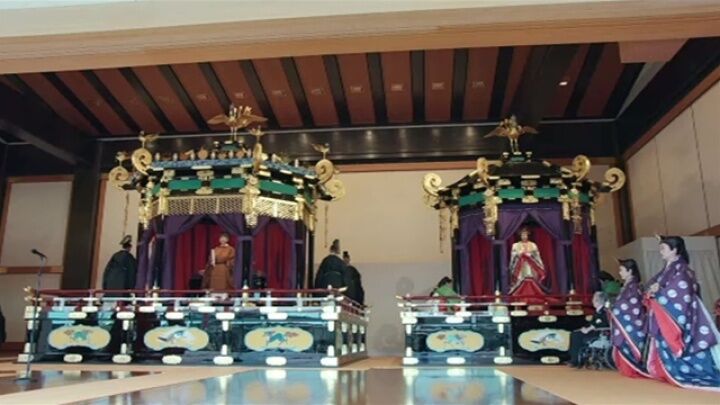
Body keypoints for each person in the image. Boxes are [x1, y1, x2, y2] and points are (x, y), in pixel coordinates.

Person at [643, 236, 720, 390]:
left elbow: (682, 289)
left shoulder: (682, 268)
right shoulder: (668, 269)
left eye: (663, 248)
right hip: (665, 311)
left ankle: (688, 370)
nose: (660, 252)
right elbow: (653, 285)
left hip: (680, 312)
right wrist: (652, 290)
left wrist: (659, 291)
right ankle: (670, 370)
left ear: (674, 250)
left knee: (684, 342)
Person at [608, 259, 649, 378]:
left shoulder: (634, 286)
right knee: (622, 343)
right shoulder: (627, 286)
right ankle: (626, 368)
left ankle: (633, 369)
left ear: (630, 271)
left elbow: (633, 304)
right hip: (624, 320)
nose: (619, 273)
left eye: (621, 270)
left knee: (629, 343)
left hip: (631, 320)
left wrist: (615, 306)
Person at [568, 291, 609, 367]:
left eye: (593, 299)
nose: (592, 301)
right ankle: (575, 358)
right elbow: (593, 323)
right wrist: (585, 328)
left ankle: (575, 360)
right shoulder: (598, 311)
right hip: (594, 331)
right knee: (575, 333)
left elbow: (601, 323)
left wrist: (588, 329)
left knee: (576, 336)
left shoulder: (603, 311)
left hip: (599, 333)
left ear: (597, 300)